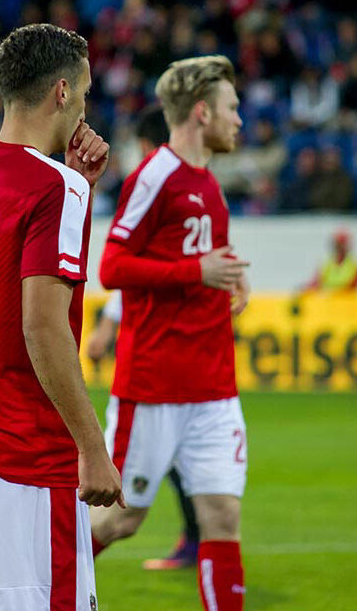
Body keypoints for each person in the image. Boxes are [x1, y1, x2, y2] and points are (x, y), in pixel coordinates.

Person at [0, 23, 124, 611]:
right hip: (24, 455)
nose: (86, 105)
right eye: (84, 93)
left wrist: (75, 186)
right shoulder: (55, 190)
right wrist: (92, 446)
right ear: (62, 92)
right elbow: (41, 327)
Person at [90, 55, 250, 611]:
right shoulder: (154, 175)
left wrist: (228, 280)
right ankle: (43, 593)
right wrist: (197, 272)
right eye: (232, 108)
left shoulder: (209, 183)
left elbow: (202, 260)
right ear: (202, 112)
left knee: (221, 519)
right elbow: (112, 266)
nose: (240, 121)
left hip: (213, 389)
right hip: (154, 387)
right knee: (121, 519)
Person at [86, 106, 201, 571]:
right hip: (151, 373)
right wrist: (107, 327)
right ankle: (47, 577)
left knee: (206, 489)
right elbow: (122, 272)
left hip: (183, 370)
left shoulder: (179, 189)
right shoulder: (153, 189)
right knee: (121, 513)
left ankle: (197, 550)